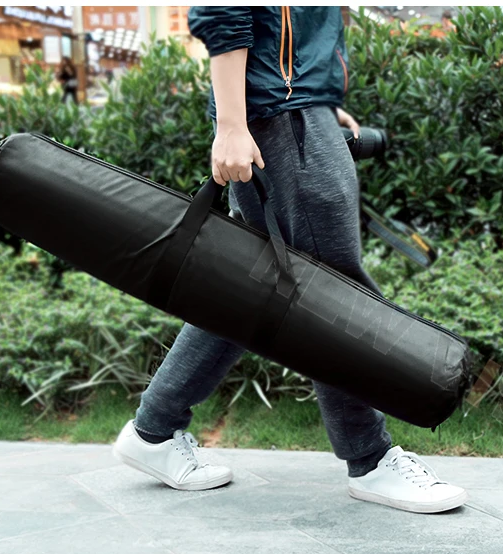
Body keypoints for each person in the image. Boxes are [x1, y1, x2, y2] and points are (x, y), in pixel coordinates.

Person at [111, 6, 468, 514]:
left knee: (255, 287)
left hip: (294, 107)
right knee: (332, 292)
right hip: (279, 111)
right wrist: (232, 123)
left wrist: (319, 100)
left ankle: (154, 430)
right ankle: (370, 458)